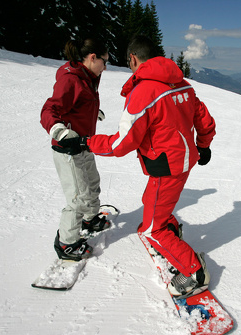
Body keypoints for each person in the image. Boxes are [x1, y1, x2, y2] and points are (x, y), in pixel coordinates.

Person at [55, 35, 216, 298]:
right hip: (183, 161)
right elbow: (203, 117)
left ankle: (195, 273)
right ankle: (170, 228)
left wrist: (86, 142)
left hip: (166, 166)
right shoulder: (181, 84)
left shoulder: (144, 92)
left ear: (132, 58)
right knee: (150, 203)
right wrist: (204, 144)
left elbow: (121, 144)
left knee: (152, 229)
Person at [40, 38, 115, 261]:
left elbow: (80, 102)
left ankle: (90, 219)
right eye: (104, 61)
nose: (106, 66)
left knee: (92, 184)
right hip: (69, 149)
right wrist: (60, 132)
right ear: (93, 58)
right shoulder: (70, 79)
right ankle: (67, 243)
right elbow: (49, 109)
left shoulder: (88, 76)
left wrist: (93, 112)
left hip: (84, 143)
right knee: (76, 198)